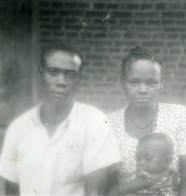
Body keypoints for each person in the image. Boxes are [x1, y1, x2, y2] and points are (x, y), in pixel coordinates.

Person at [0, 44, 121, 195]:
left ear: (79, 78)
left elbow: (95, 192)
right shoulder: (18, 128)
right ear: (41, 74)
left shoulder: (94, 122)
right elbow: (12, 191)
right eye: (53, 72)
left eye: (70, 74)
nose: (61, 82)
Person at [108, 47, 186, 196]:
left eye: (151, 82)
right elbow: (106, 182)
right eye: (134, 82)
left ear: (161, 82)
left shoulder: (181, 115)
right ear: (122, 82)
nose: (143, 89)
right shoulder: (109, 122)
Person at [108, 132, 178, 196]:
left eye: (148, 158)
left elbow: (120, 189)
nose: (141, 163)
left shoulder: (148, 178)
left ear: (167, 162)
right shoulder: (173, 176)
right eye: (138, 158)